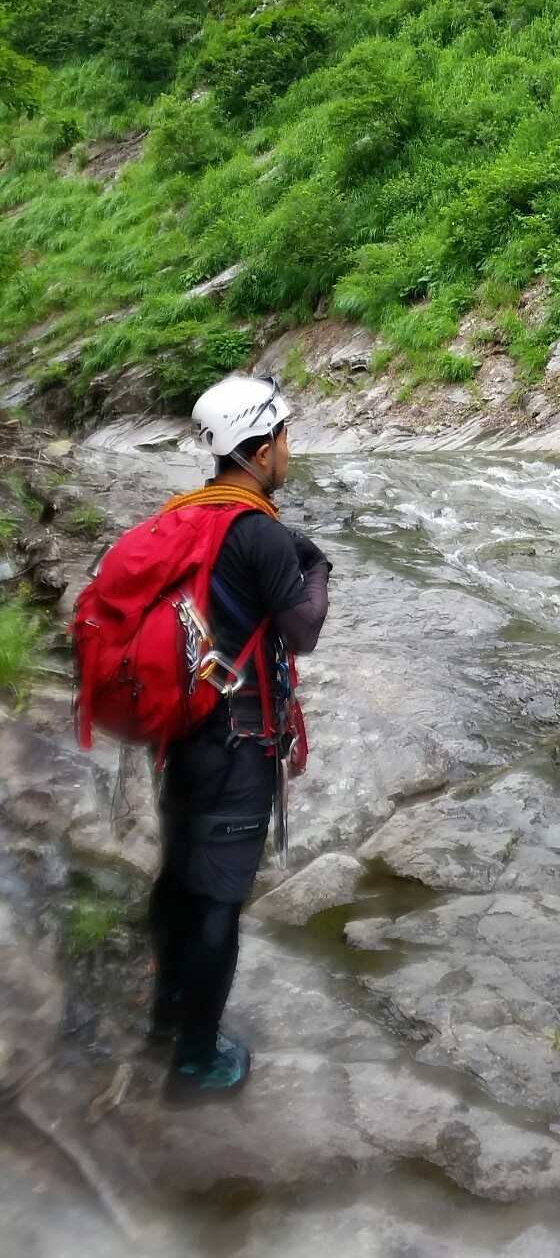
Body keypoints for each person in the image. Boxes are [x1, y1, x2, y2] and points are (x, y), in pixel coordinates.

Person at [148, 375, 331, 1095]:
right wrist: (316, 568)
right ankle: (196, 1058)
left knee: (178, 874)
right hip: (237, 744)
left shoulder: (187, 513)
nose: (289, 450)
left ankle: (166, 1012)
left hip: (182, 734)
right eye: (284, 438)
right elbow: (303, 631)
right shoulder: (258, 532)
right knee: (219, 898)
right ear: (259, 450)